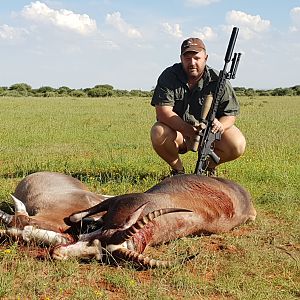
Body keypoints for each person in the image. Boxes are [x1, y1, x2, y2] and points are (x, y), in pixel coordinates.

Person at [150, 37, 246, 176]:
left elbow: (230, 114)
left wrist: (221, 126)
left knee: (237, 143)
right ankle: (178, 172)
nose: (192, 62)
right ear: (181, 58)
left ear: (205, 58)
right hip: (180, 133)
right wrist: (189, 130)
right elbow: (163, 113)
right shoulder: (169, 76)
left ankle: (208, 168)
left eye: (197, 58)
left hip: (210, 134)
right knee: (158, 132)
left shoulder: (218, 80)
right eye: (187, 58)